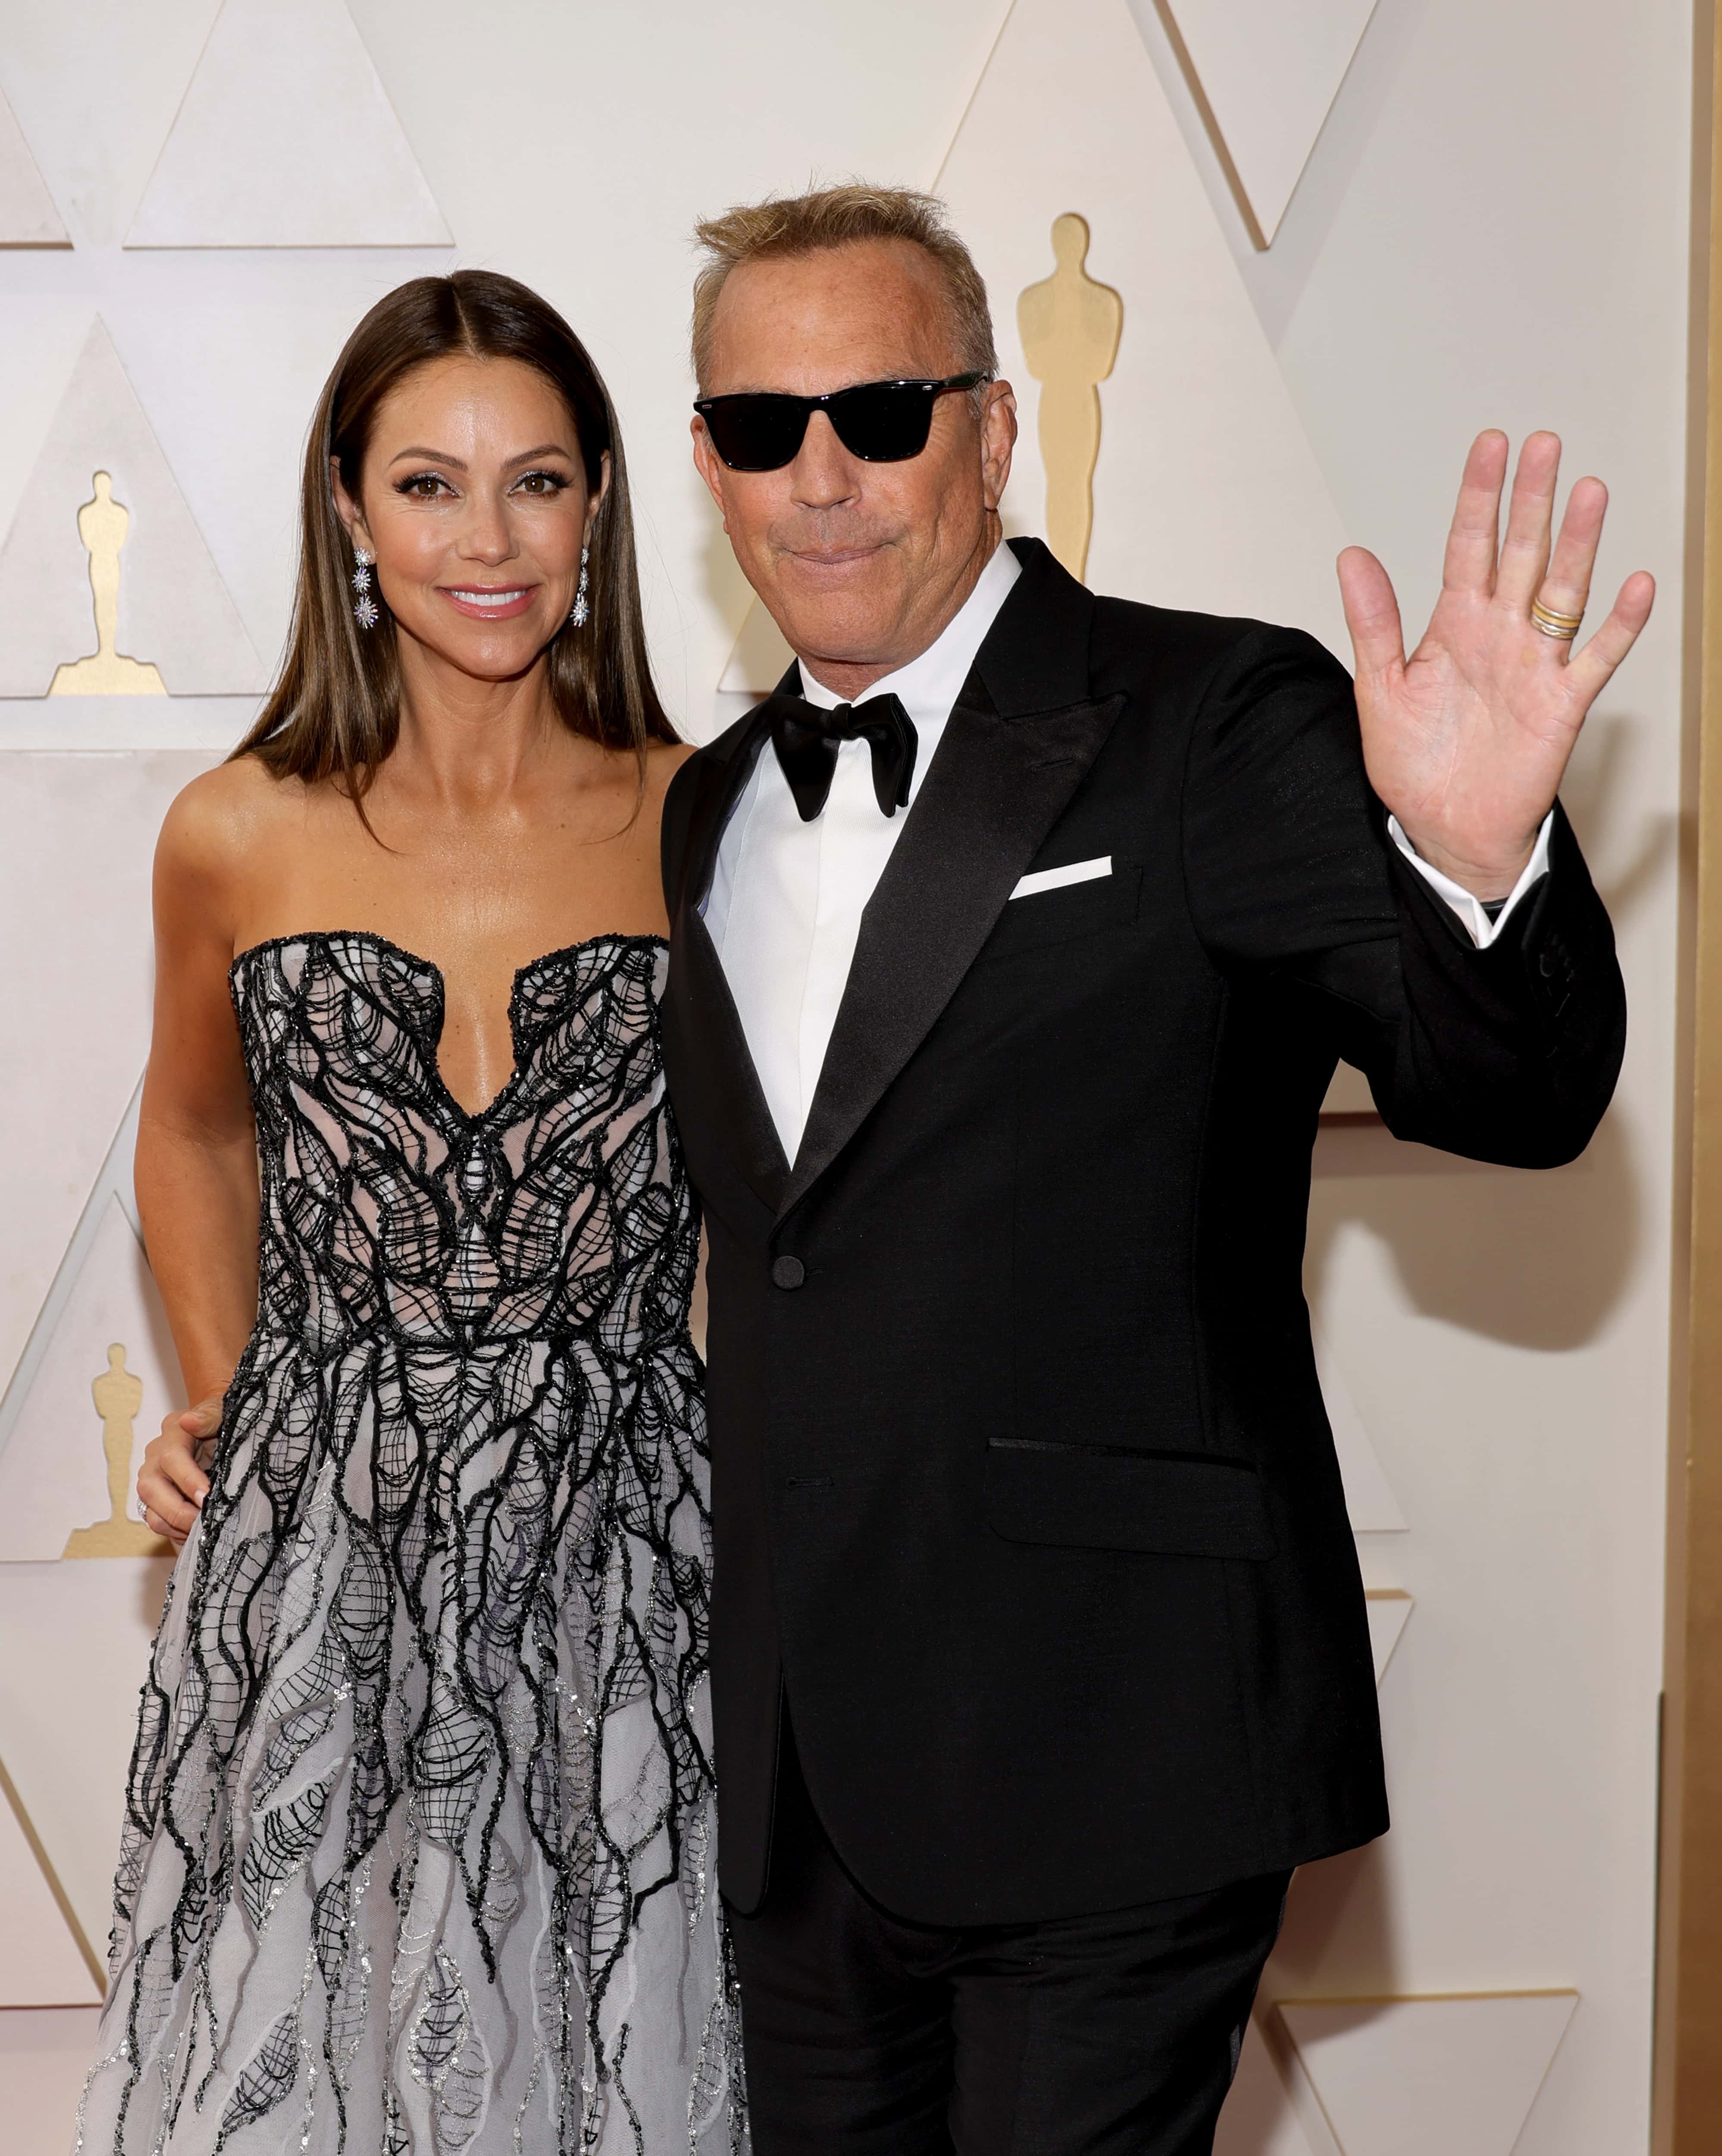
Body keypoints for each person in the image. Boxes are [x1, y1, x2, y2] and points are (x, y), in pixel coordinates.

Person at [655, 186, 1644, 2152]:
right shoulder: (707, 806)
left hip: (1110, 1751)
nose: (824, 476)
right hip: (800, 1783)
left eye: (885, 409)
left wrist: (1473, 863)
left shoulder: (1211, 719)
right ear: (708, 465)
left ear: (996, 428)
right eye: (764, 429)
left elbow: (1506, 1087)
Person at [93, 272, 743, 2155]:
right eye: (434, 483)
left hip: (633, 1536)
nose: (489, 537)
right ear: (350, 508)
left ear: (604, 506)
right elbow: (195, 1132)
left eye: (537, 481)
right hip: (322, 1537)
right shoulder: (237, 828)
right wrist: (225, 1397)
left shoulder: (710, 824)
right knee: (328, 2047)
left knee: (618, 2034)